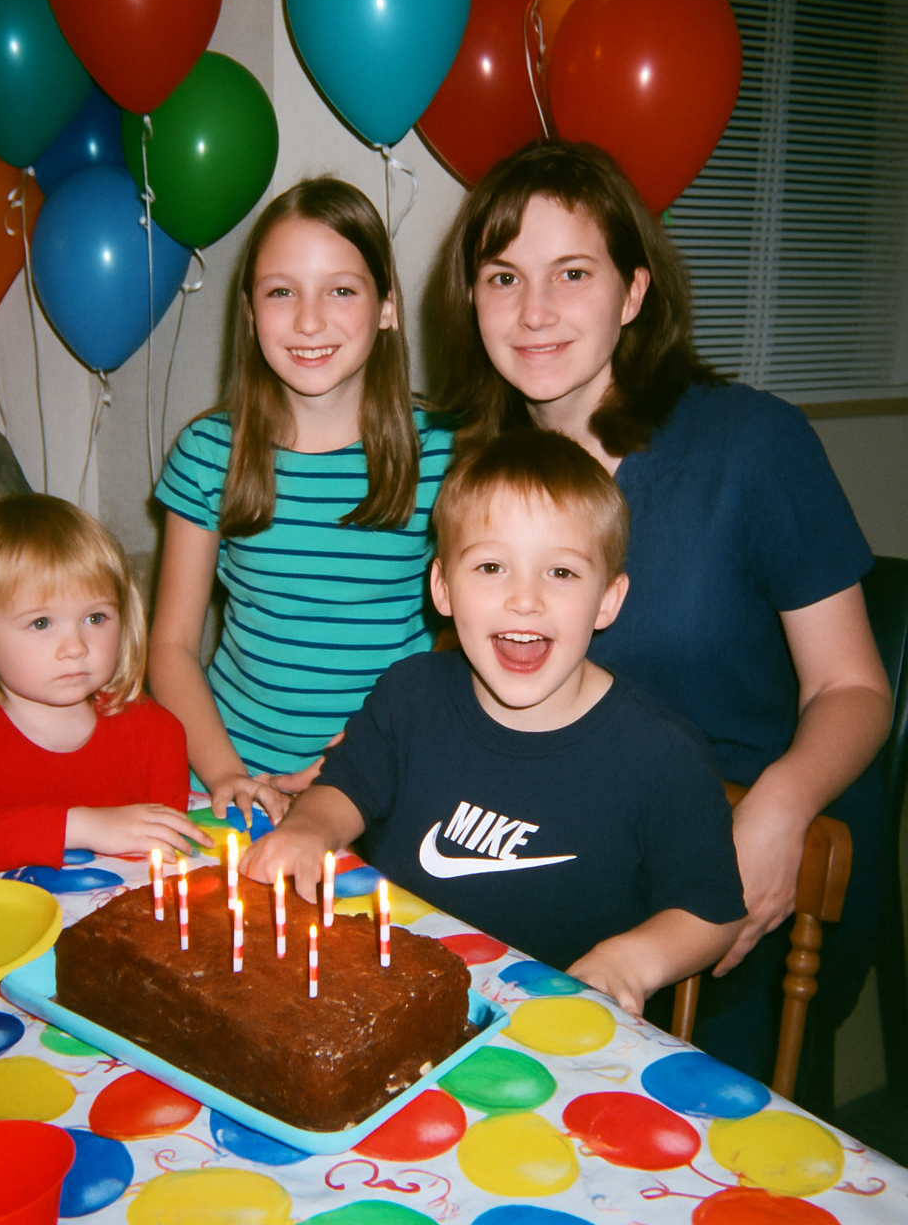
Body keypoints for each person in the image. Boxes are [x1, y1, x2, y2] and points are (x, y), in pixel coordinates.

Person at [429, 139, 893, 1079]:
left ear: (634, 292)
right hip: (555, 857)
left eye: (572, 273)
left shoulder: (753, 444)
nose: (534, 311)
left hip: (733, 870)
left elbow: (853, 688)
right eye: (504, 277)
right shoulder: (469, 468)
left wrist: (782, 805)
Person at [241, 430, 746, 1013]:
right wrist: (311, 829)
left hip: (549, 1035)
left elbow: (713, 912)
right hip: (391, 997)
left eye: (561, 573)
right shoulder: (410, 693)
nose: (524, 599)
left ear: (608, 599)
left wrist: (631, 961)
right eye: (491, 566)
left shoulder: (663, 755)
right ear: (442, 588)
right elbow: (346, 787)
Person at [149, 177, 455, 823]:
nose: (309, 320)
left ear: (387, 307)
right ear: (250, 311)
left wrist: (368, 751)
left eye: (341, 290)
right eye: (281, 291)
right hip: (229, 777)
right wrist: (228, 776)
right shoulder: (209, 452)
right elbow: (172, 646)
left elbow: (460, 642)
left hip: (384, 779)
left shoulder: (446, 455)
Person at [0, 494, 210, 881]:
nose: (76, 647)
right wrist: (74, 826)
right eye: (41, 623)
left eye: (95, 618)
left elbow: (164, 871)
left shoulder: (157, 734)